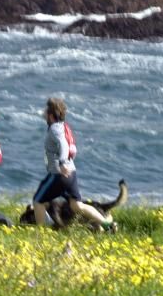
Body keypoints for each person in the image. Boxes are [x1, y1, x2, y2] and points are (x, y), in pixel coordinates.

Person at [31, 97, 113, 231]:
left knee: (38, 201)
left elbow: (63, 145)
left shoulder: (55, 129)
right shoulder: (63, 126)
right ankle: (106, 224)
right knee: (77, 205)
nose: (44, 112)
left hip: (59, 174)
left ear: (51, 115)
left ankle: (43, 234)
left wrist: (62, 162)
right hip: (71, 173)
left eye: (46, 110)